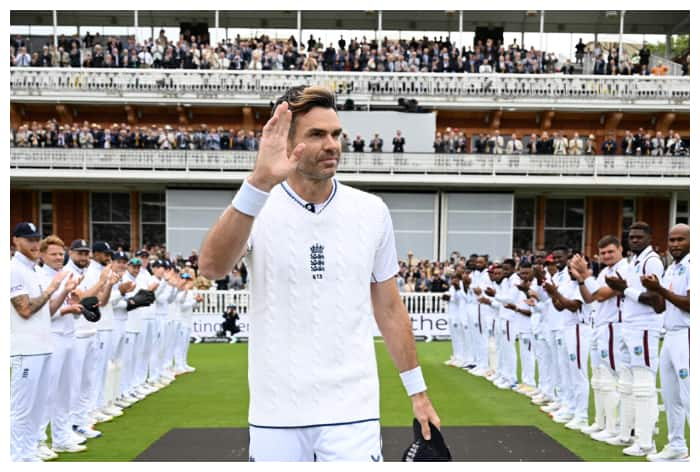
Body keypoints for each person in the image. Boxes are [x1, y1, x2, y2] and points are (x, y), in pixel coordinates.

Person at [198, 85, 440, 461]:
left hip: (352, 408)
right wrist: (259, 183)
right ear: (286, 142)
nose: (332, 145)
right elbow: (211, 268)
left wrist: (418, 393)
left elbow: (390, 309)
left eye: (336, 134)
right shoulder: (255, 205)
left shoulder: (371, 210)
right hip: (276, 409)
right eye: (316, 134)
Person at [603, 222, 666, 456]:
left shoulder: (652, 261)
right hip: (629, 326)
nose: (635, 240)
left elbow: (655, 298)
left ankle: (646, 441)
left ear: (649, 238)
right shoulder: (635, 261)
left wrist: (623, 289)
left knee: (643, 385)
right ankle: (627, 433)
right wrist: (623, 288)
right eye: (631, 237)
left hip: (644, 327)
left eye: (639, 237)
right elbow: (630, 291)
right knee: (627, 384)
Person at [10, 223, 69, 461]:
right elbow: (25, 309)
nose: (34, 244)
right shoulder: (13, 269)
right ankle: (14, 457)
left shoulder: (32, 270)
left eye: (36, 239)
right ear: (16, 241)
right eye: (29, 239)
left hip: (43, 347)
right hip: (25, 349)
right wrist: (51, 288)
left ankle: (28, 452)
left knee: (36, 407)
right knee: (21, 408)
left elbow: (47, 310)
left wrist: (63, 292)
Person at [570, 236, 628, 441]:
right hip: (600, 326)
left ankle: (622, 426)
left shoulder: (624, 269)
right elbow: (589, 297)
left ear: (620, 249)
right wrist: (580, 279)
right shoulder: (605, 271)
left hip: (615, 326)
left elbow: (602, 294)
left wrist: (586, 274)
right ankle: (604, 422)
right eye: (603, 253)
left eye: (610, 251)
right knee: (601, 379)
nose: (606, 256)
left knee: (618, 377)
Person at [643, 224, 690, 462]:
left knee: (691, 395)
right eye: (671, 240)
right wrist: (651, 291)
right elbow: (662, 306)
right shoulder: (672, 267)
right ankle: (677, 445)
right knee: (671, 396)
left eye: (680, 240)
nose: (675, 245)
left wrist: (659, 288)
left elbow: (691, 304)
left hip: (688, 334)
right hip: (670, 334)